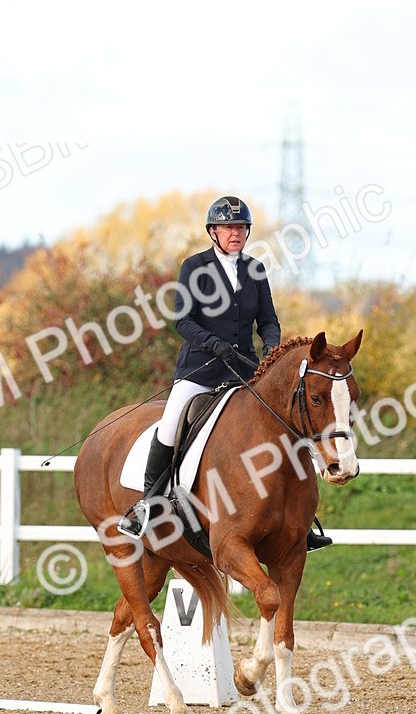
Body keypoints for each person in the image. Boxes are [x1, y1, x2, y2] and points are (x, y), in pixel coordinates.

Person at [117, 195, 332, 552]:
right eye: (229, 228)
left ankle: (300, 521)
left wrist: (272, 349)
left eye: (241, 228)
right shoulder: (195, 267)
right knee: (170, 424)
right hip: (199, 369)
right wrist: (212, 343)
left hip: (245, 372)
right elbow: (182, 320)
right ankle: (147, 505)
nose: (236, 234)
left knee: (286, 424)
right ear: (213, 231)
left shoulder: (254, 270)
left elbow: (268, 320)